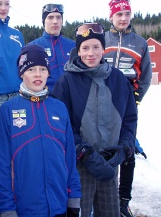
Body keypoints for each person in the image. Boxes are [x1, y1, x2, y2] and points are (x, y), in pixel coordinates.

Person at [51, 23, 137, 217]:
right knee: (80, 211)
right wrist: (83, 152)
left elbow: (130, 118)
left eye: (96, 47)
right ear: (78, 50)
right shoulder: (66, 82)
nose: (91, 53)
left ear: (103, 48)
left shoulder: (118, 79)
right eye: (85, 48)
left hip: (109, 162)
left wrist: (125, 146)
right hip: (81, 165)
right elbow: (59, 125)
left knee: (109, 212)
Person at [0, 44, 81, 217]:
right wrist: (6, 207)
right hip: (25, 208)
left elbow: (69, 158)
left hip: (59, 204)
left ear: (49, 72)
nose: (37, 74)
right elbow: (2, 164)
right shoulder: (8, 110)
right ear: (21, 73)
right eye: (31, 69)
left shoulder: (59, 108)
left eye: (43, 69)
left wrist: (74, 198)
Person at [103, 0, 152, 217]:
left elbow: (146, 74)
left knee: (128, 150)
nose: (123, 19)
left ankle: (123, 201)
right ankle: (104, 195)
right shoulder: (102, 39)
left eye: (127, 14)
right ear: (111, 17)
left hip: (128, 103)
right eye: (118, 14)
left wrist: (136, 97)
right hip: (102, 102)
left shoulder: (140, 42)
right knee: (104, 148)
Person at [29, 3, 76, 91]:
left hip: (70, 98)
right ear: (44, 21)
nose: (55, 21)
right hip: (45, 98)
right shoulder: (33, 47)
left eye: (58, 17)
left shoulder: (73, 46)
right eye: (50, 17)